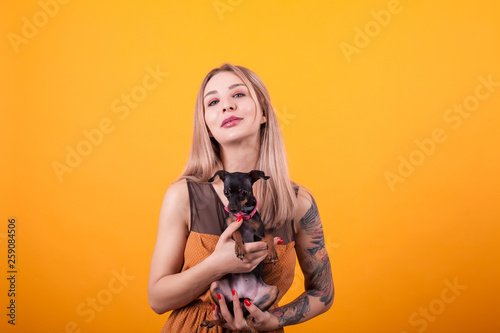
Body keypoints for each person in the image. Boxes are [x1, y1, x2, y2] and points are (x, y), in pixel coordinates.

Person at [148, 63, 334, 332]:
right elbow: (157, 299)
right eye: (213, 101)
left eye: (238, 95)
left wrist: (272, 320)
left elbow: (323, 292)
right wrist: (217, 264)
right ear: (208, 127)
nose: (226, 106)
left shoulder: (298, 203)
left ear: (263, 113)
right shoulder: (182, 195)